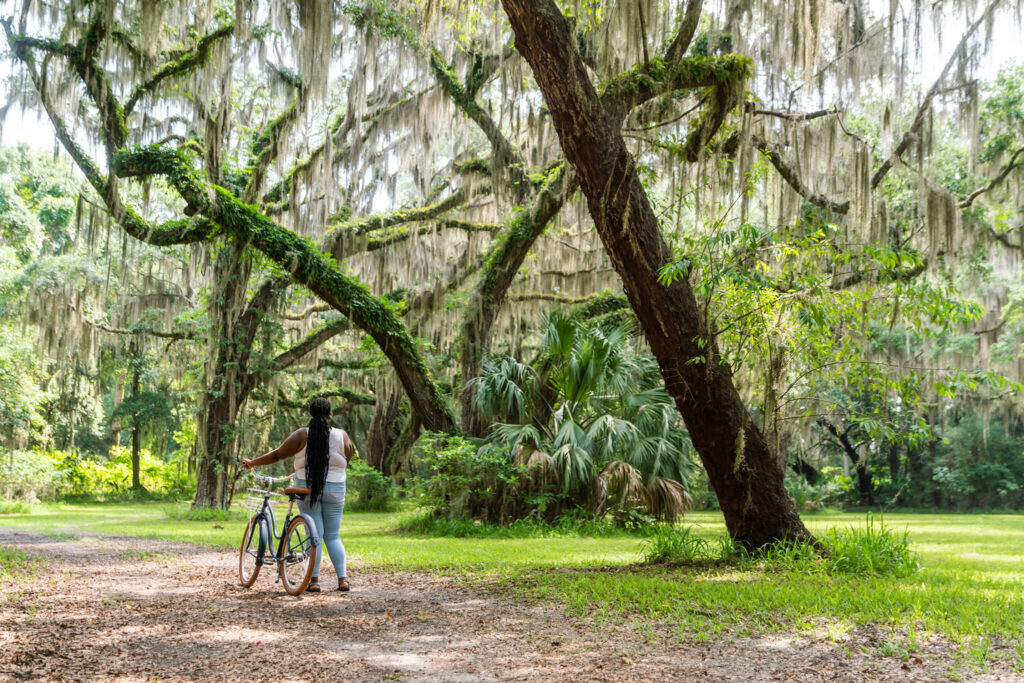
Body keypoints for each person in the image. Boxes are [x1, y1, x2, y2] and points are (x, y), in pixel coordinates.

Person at [241, 397, 353, 592]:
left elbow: (277, 454)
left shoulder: (302, 435)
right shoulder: (341, 435)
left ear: (311, 414)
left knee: (314, 536)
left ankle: (314, 581)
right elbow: (348, 455)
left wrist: (253, 462)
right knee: (333, 536)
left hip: (306, 489)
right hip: (336, 489)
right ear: (330, 415)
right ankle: (342, 580)